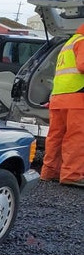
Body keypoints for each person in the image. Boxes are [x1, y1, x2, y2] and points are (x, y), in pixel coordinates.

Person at [41, 22, 84, 187]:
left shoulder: (69, 43)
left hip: (58, 97)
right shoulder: (82, 41)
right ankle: (72, 175)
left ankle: (49, 172)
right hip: (76, 98)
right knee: (75, 137)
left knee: (55, 137)